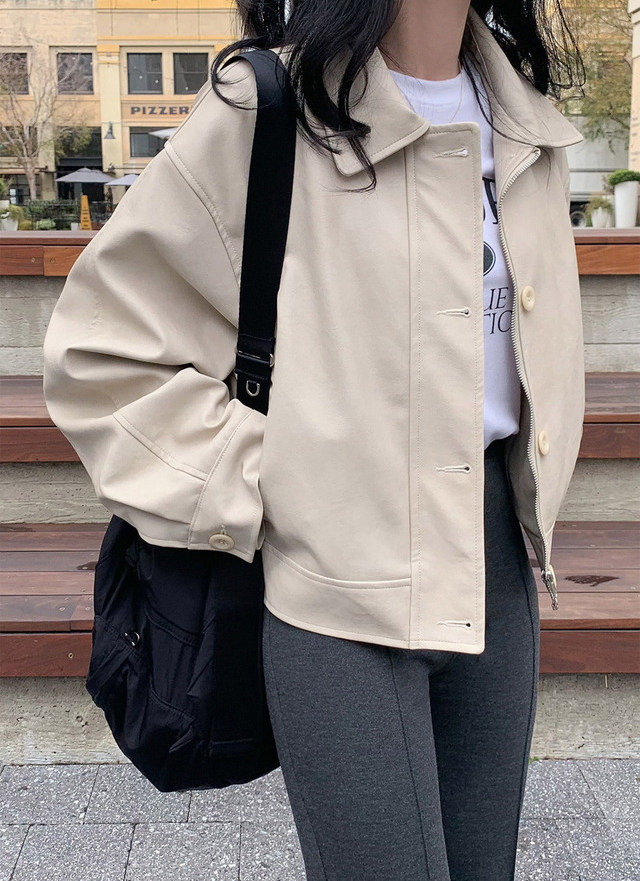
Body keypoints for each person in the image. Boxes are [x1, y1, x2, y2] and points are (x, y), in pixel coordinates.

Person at [42, 1, 586, 878]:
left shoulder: (526, 122)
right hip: (338, 594)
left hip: (498, 573)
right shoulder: (270, 107)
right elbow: (100, 353)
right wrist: (272, 486)